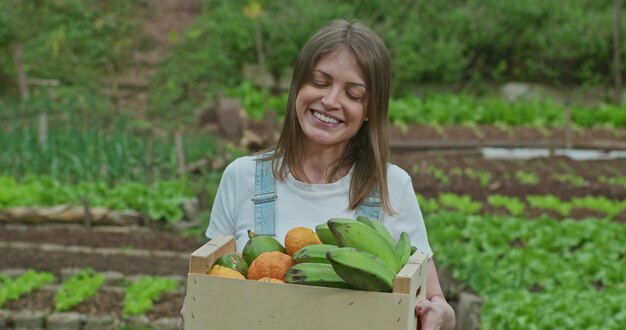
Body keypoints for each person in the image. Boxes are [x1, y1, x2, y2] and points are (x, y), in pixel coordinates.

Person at [183, 19, 455, 330]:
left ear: (369, 111)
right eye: (320, 82)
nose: (330, 101)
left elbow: (436, 302)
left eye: (353, 95)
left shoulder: (392, 187)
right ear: (298, 85)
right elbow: (211, 285)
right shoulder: (242, 177)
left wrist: (439, 316)